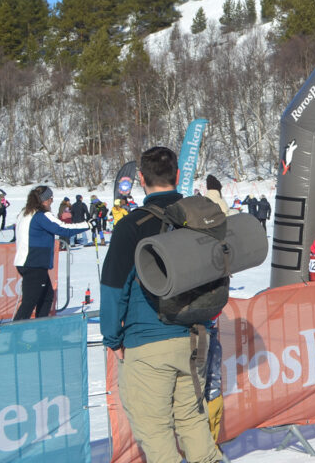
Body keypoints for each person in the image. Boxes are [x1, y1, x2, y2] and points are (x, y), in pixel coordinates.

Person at [101, 146, 224, 463]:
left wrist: (113, 339)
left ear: (140, 178)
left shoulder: (132, 226)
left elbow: (114, 288)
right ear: (178, 176)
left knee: (155, 434)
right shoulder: (200, 219)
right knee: (193, 424)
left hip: (148, 341)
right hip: (196, 336)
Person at [13, 186, 90, 320]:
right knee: (30, 302)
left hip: (28, 262)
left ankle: (41, 330)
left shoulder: (25, 212)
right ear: (45, 200)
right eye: (51, 198)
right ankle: (15, 335)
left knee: (46, 297)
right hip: (34, 263)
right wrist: (87, 225)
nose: (52, 201)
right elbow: (63, 228)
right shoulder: (41, 215)